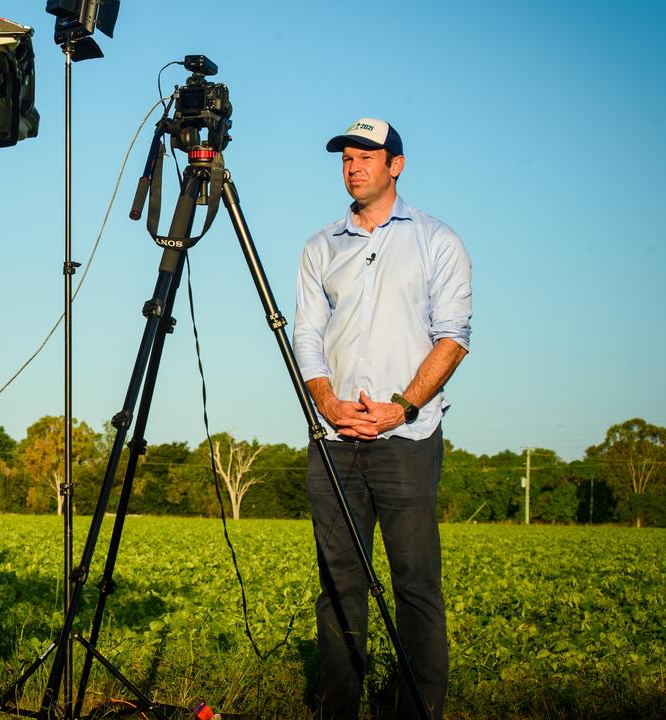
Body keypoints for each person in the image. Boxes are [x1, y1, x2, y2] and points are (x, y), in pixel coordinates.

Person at [292, 117, 471, 720]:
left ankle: (416, 711)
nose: (353, 166)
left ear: (396, 164)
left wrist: (402, 406)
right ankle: (337, 707)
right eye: (346, 157)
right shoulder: (321, 246)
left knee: (416, 585)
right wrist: (327, 402)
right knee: (339, 585)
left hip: (408, 438)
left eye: (366, 156)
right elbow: (307, 335)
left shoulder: (437, 240)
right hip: (335, 439)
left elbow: (452, 338)